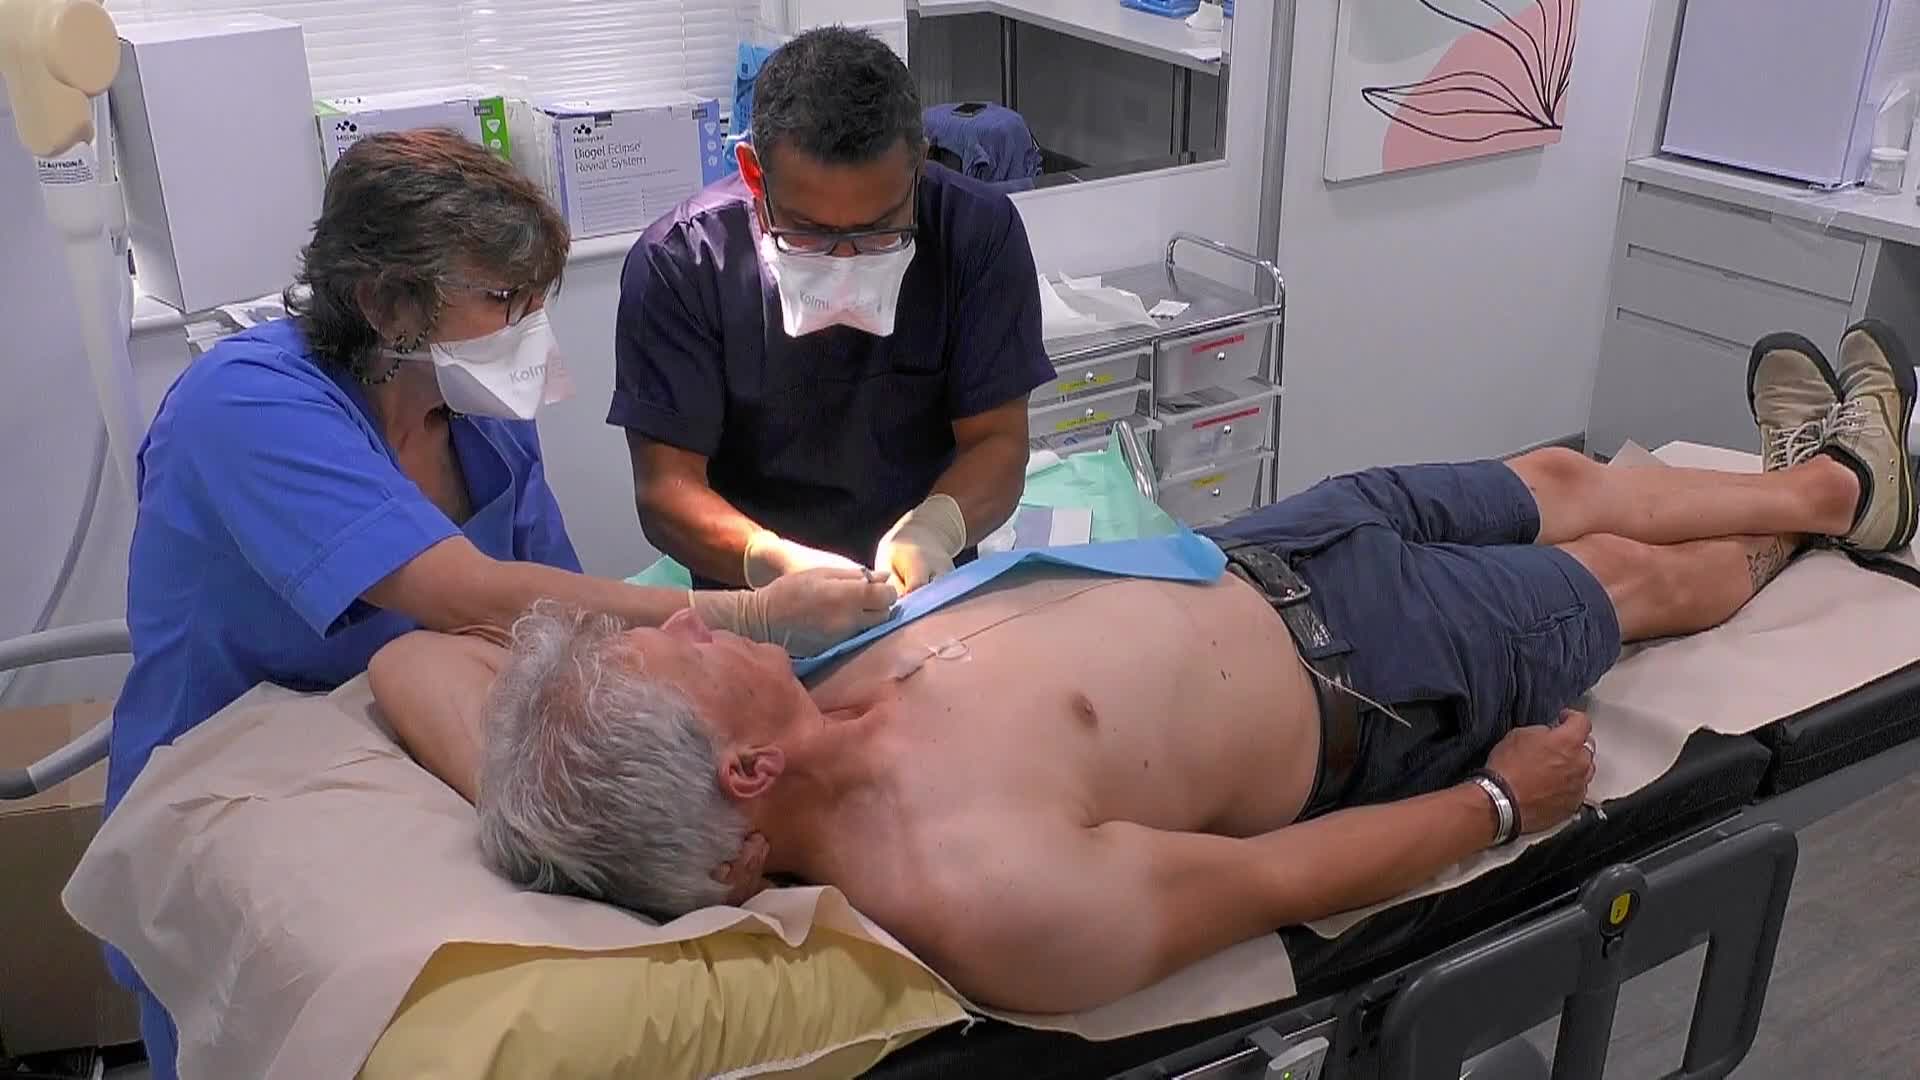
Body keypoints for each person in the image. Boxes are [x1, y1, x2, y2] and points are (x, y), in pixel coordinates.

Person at [374, 321, 1916, 1016]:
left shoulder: (793, 693)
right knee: (1631, 580)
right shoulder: (981, 887)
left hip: (1256, 551)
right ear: (744, 778)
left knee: (1558, 475)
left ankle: (1823, 485)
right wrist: (1504, 808)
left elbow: (415, 670)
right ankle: (1825, 506)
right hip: (1376, 673)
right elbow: (1276, 884)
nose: (683, 622)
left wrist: (551, 772)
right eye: (677, 659)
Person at [108, 129, 894, 1077]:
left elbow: (564, 633)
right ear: (385, 303)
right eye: (503, 301)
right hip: (244, 758)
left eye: (537, 299)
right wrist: (750, 616)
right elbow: (457, 595)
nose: (530, 328)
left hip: (421, 751)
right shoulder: (245, 406)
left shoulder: (476, 419)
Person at [611, 27, 1054, 597]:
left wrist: (935, 529)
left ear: (918, 166)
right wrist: (770, 561)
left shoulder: (975, 233)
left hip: (928, 588)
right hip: (752, 601)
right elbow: (664, 490)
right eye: (810, 232)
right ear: (754, 174)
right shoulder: (683, 263)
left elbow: (998, 441)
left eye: (879, 230)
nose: (846, 261)